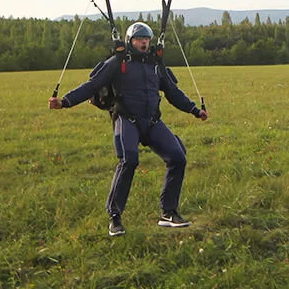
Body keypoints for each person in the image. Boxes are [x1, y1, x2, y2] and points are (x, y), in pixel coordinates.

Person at [49, 21, 209, 236]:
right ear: (130, 41)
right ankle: (115, 217)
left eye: (146, 39)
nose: (144, 43)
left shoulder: (155, 64)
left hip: (152, 121)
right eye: (139, 39)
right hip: (126, 119)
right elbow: (92, 85)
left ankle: (168, 213)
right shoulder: (117, 62)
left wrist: (194, 110)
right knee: (129, 160)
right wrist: (65, 101)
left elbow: (172, 92)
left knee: (178, 157)